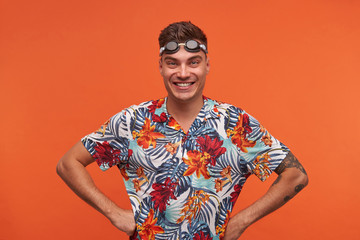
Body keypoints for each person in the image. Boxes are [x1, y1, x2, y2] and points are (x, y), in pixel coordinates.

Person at [57, 21, 308, 240]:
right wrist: (113, 213)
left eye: (193, 62)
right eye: (172, 63)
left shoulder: (234, 123)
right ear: (161, 67)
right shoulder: (133, 121)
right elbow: (69, 163)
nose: (183, 73)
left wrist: (241, 222)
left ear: (207, 65)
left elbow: (295, 175)